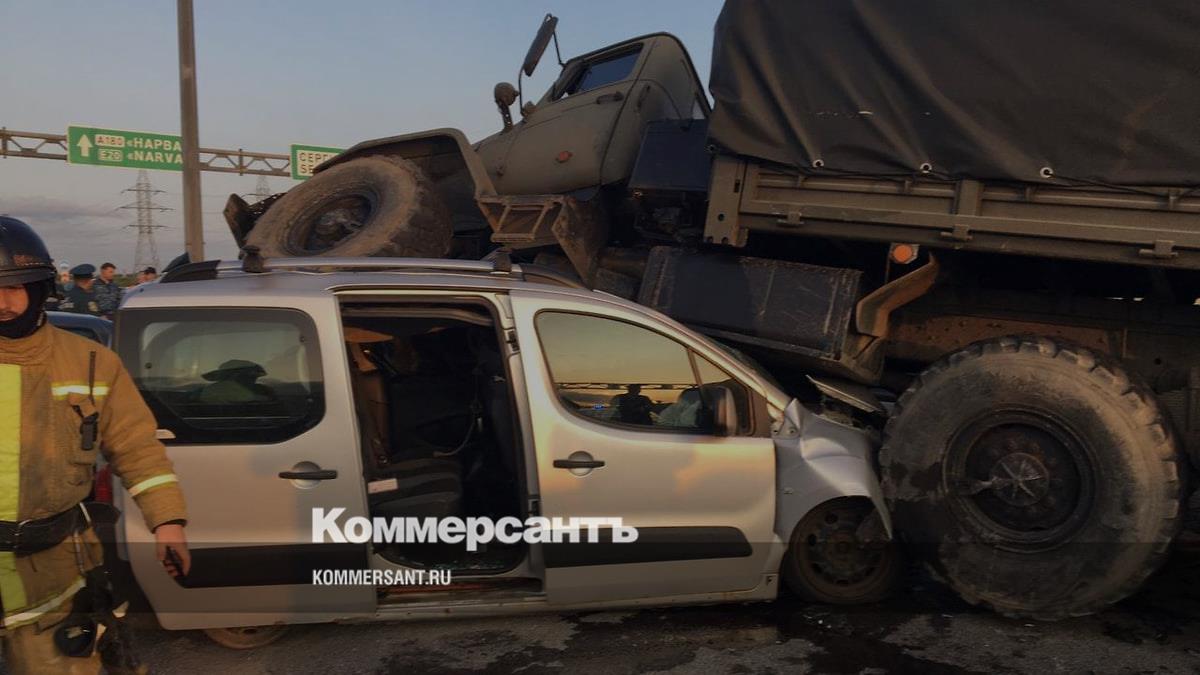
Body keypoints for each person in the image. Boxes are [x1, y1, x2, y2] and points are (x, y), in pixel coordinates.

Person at [0, 216, 190, 674]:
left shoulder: (92, 363)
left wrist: (167, 521)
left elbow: (136, 445)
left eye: (15, 287)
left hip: (53, 567)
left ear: (41, 289)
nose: (2, 303)